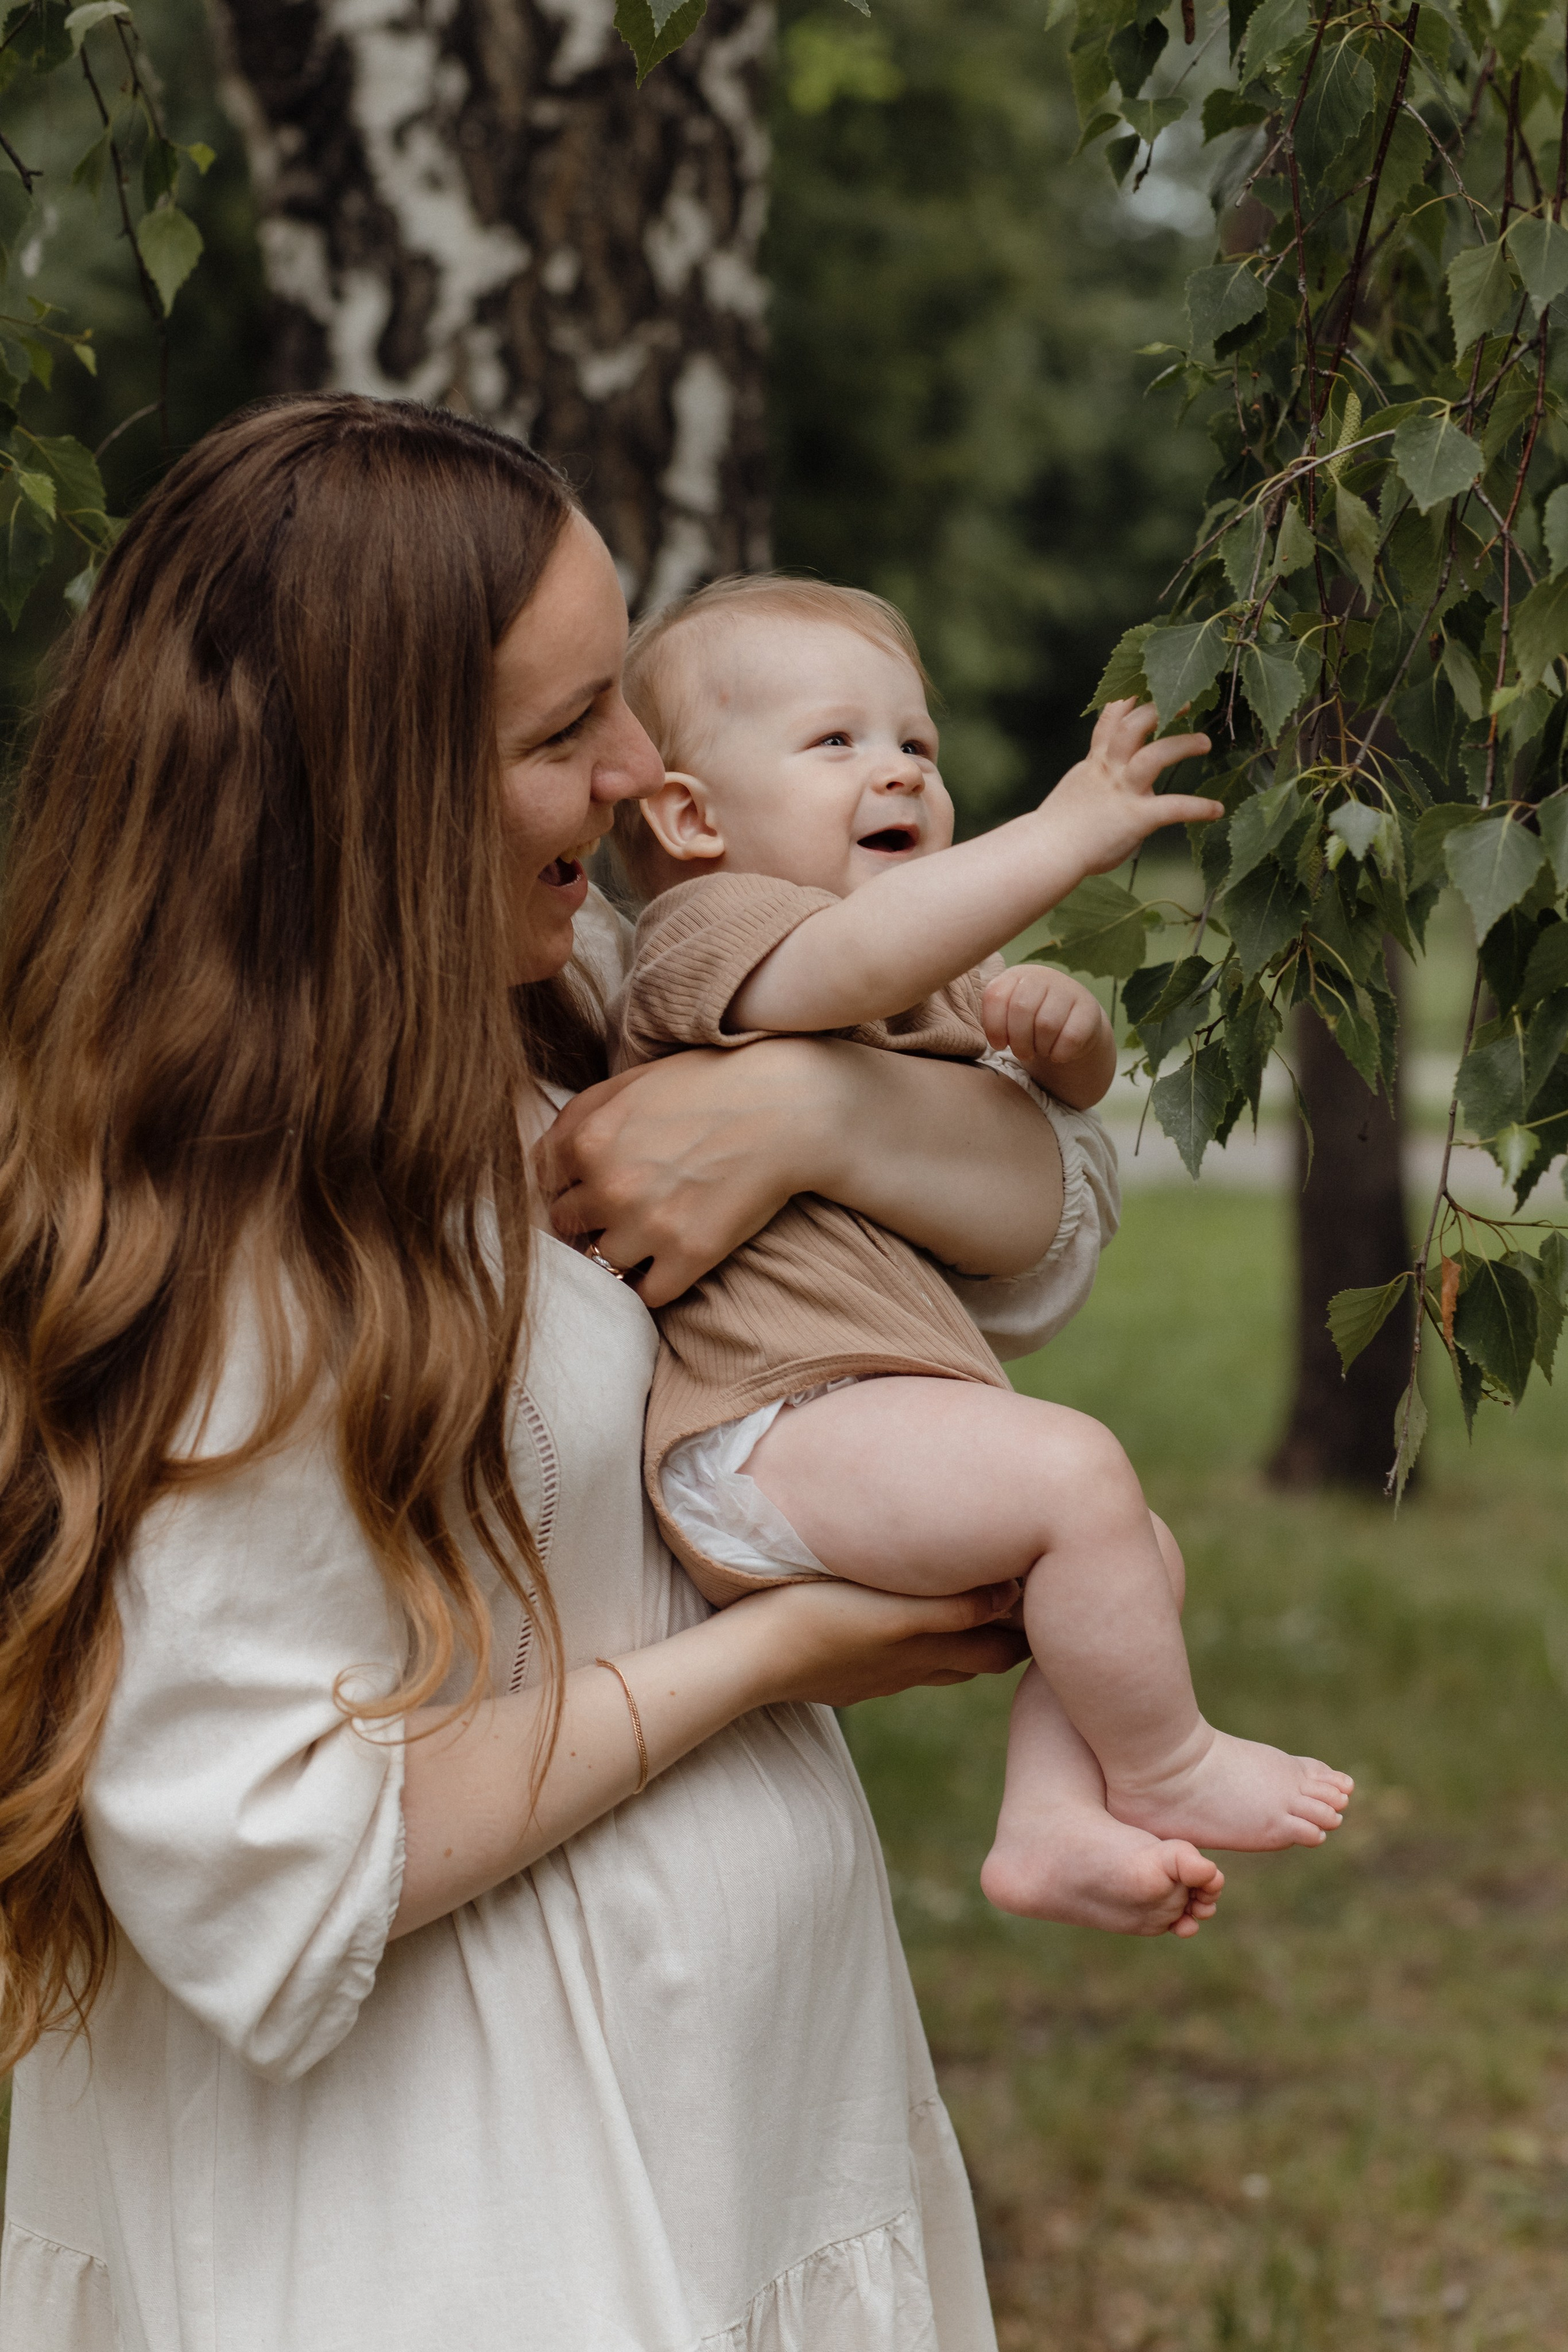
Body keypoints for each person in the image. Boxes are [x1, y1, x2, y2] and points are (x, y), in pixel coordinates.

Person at [0, 395, 1120, 2351]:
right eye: (560, 735)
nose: (634, 776)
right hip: (457, 2195)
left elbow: (1049, 1226)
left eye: (625, 701)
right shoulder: (225, 1222)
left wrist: (809, 1124)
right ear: (365, 788)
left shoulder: (551, 996)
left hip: (728, 2118)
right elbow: (278, 1874)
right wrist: (777, 1654)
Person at [609, 575, 1354, 1938]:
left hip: (859, 1421)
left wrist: (1061, 1039)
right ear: (692, 819)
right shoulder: (704, 935)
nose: (895, 765)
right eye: (833, 741)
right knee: (1076, 1476)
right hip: (764, 1431)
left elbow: (1036, 1122)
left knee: (1134, 1546)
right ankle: (1168, 1761)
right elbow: (846, 964)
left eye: (915, 744)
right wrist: (1054, 841)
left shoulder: (911, 976)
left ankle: (1052, 1822)